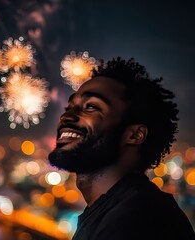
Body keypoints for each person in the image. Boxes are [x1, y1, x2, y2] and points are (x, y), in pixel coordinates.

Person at [48, 57, 195, 240]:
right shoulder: (118, 209)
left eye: (91, 107)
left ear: (134, 135)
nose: (66, 117)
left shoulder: (138, 219)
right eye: (69, 107)